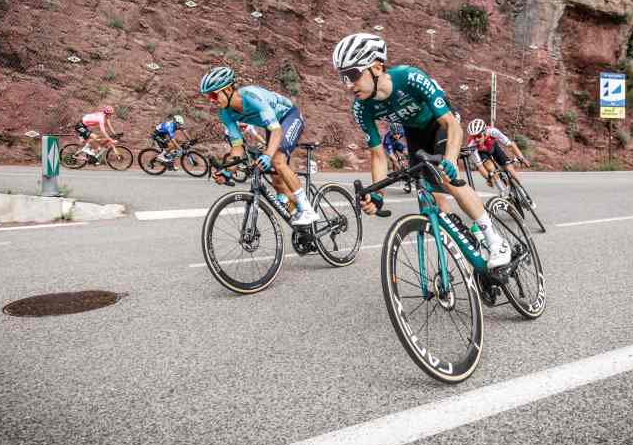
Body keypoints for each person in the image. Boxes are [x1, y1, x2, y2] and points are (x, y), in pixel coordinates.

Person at [333, 33, 510, 269]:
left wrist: (449, 159)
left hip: (441, 123)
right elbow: (378, 155)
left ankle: (495, 240)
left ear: (376, 67)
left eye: (353, 75)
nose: (348, 84)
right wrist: (377, 194)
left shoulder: (410, 77)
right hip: (415, 132)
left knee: (447, 178)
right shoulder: (361, 108)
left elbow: (452, 125)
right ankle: (465, 246)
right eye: (343, 78)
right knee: (431, 197)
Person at [199, 66, 320, 226]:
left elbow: (276, 130)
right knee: (277, 183)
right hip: (273, 126)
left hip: (289, 116)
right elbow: (237, 147)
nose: (211, 100)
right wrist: (228, 171)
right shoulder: (225, 114)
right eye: (208, 96)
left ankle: (307, 210)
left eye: (213, 95)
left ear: (228, 89)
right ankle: (301, 222)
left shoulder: (251, 96)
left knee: (276, 161)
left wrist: (267, 155)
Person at [465, 117, 531, 187]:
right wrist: (488, 179)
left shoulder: (493, 131)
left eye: (479, 136)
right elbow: (479, 166)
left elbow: (510, 145)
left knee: (510, 170)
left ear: (484, 133)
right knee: (491, 168)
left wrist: (522, 158)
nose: (476, 139)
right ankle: (501, 189)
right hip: (481, 152)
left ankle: (522, 190)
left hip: (493, 147)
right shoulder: (471, 145)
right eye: (474, 137)